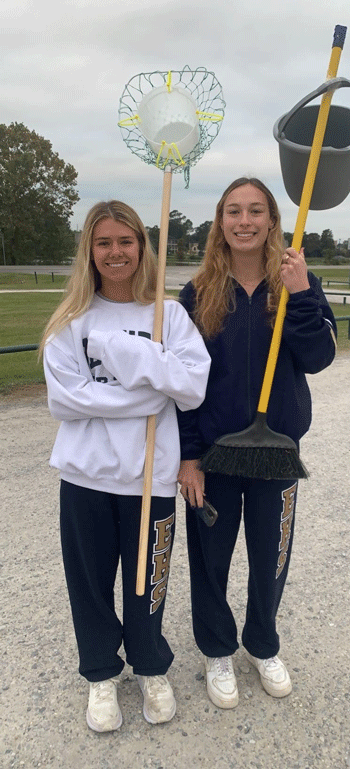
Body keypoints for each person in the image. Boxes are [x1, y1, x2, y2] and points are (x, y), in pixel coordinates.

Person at [40, 200, 211, 732]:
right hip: (87, 476)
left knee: (148, 581)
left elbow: (192, 387)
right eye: (103, 243)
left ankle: (150, 666)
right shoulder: (71, 320)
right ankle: (99, 673)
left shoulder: (169, 316)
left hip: (150, 478)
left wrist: (140, 359)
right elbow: (65, 400)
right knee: (89, 583)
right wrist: (147, 396)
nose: (116, 253)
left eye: (126, 241)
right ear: (89, 251)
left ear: (142, 247)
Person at [177, 177, 337, 709]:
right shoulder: (197, 293)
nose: (244, 221)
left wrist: (302, 296)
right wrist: (189, 456)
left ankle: (263, 644)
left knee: (272, 557)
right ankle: (217, 650)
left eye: (256, 211)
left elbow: (318, 358)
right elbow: (181, 388)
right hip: (217, 456)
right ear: (219, 222)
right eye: (233, 211)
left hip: (274, 451)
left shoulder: (298, 281)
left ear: (272, 220)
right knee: (210, 559)